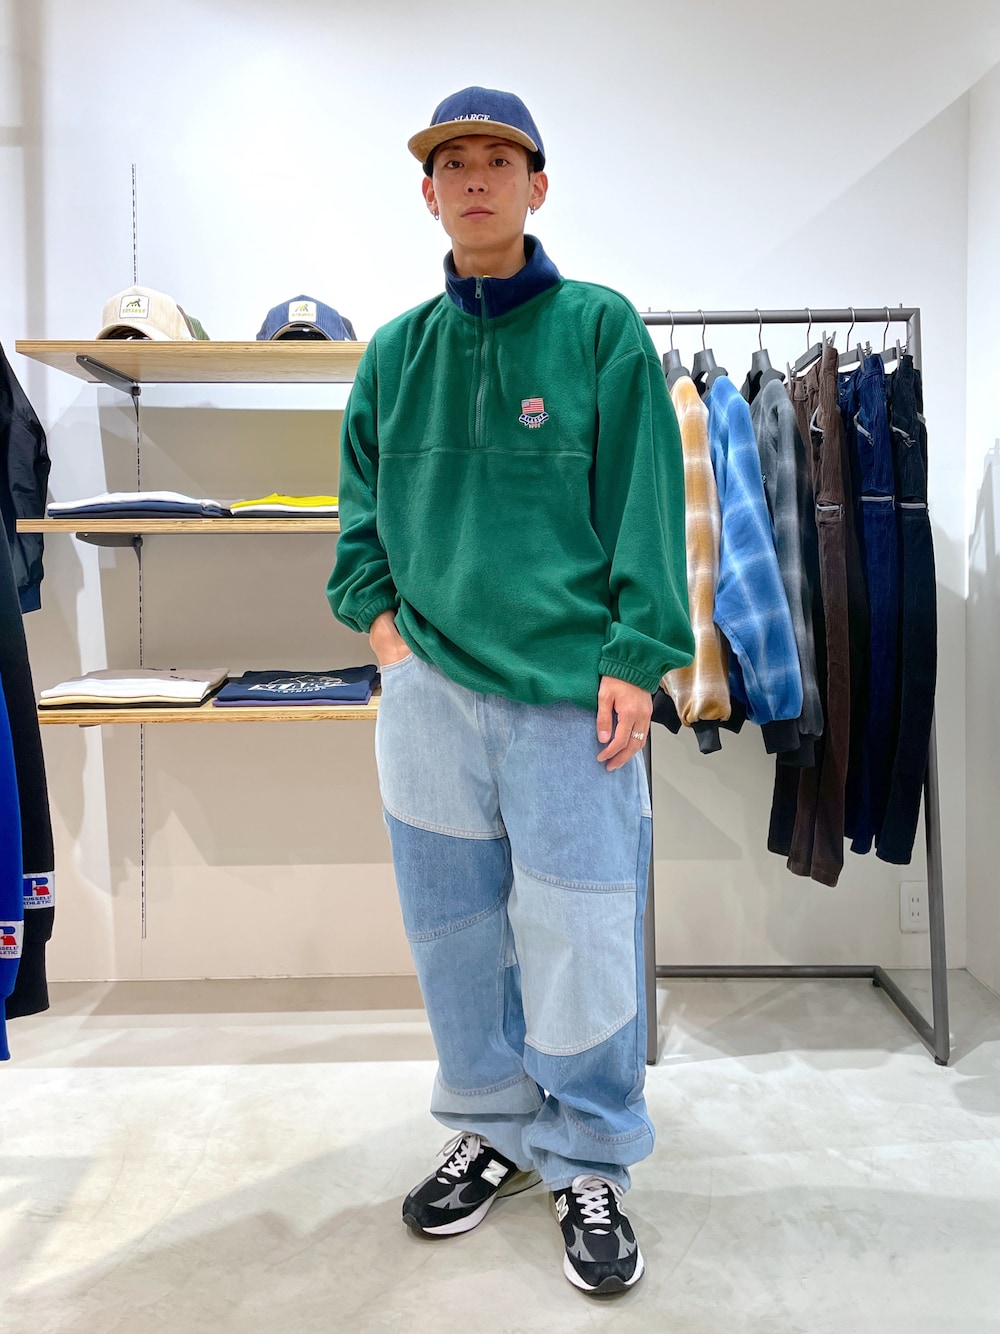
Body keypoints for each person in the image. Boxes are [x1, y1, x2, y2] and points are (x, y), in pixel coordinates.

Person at [327, 85, 693, 1295]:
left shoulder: (599, 329)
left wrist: (636, 655)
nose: (475, 177)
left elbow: (646, 504)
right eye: (454, 162)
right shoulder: (394, 353)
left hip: (567, 696)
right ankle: (491, 1125)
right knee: (454, 931)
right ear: (428, 192)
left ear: (537, 185)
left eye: (499, 158)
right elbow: (357, 524)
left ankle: (588, 1151)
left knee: (582, 934)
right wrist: (388, 639)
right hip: (427, 697)